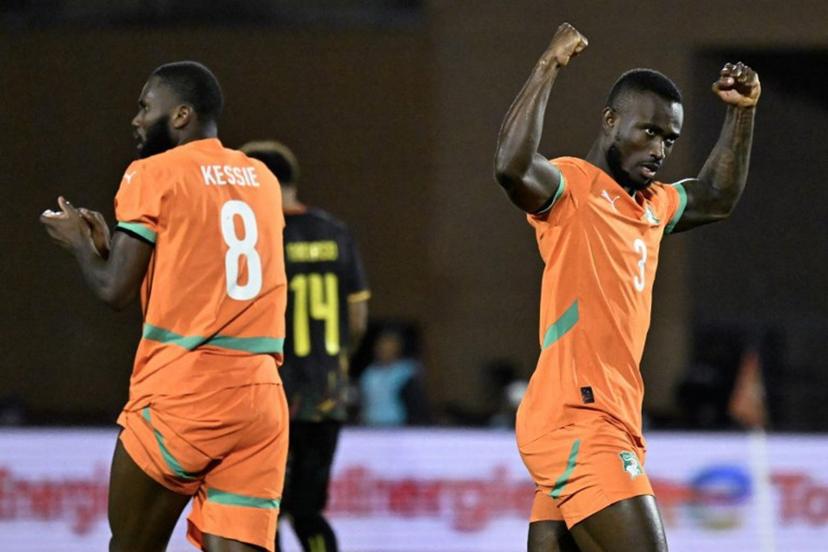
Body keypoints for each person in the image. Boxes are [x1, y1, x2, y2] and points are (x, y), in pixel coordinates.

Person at [493, 23, 760, 552]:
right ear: (611, 122)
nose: (659, 148)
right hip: (578, 417)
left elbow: (715, 196)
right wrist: (549, 65)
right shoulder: (572, 188)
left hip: (613, 417)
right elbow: (512, 165)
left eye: (669, 139)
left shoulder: (655, 205)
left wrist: (741, 113)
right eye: (649, 131)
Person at [40, 61, 289, 552]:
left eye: (144, 107)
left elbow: (114, 292)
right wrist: (112, 248)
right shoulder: (261, 178)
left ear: (179, 116)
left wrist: (78, 245)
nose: (135, 119)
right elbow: (203, 274)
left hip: (184, 393)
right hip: (259, 397)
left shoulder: (153, 173)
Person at [239, 140, 370, 552]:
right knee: (309, 511)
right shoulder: (335, 232)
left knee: (266, 509)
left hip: (273, 395)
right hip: (327, 397)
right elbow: (358, 320)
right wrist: (333, 361)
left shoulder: (258, 237)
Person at [359, 327, 430, 427]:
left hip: (397, 423)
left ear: (397, 349)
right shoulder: (369, 374)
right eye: (382, 347)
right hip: (371, 422)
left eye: (390, 348)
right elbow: (364, 400)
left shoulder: (407, 370)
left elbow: (416, 401)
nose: (385, 351)